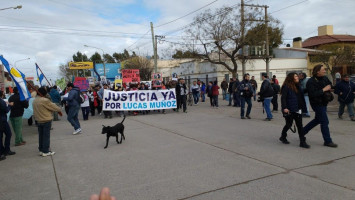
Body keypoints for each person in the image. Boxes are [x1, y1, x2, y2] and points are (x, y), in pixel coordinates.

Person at [303, 64, 338, 148]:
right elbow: (312, 94)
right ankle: (327, 141)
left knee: (317, 120)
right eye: (323, 70)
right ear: (318, 71)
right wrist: (324, 90)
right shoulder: (311, 81)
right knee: (324, 122)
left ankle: (302, 131)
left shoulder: (325, 78)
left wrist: (334, 87)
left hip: (324, 102)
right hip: (317, 104)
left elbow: (330, 86)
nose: (325, 71)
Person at [280, 73, 310, 148]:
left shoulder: (298, 85)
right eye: (296, 76)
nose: (297, 77)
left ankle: (302, 142)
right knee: (288, 124)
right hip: (290, 109)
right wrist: (285, 108)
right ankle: (283, 136)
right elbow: (283, 98)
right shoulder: (286, 87)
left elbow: (301, 95)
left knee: (300, 125)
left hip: (298, 108)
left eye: (297, 76)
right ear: (291, 78)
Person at [33, 87, 62, 156]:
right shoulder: (45, 100)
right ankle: (45, 151)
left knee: (41, 136)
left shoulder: (35, 100)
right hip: (46, 120)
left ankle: (41, 149)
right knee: (46, 136)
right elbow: (56, 108)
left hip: (39, 120)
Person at [0, 91, 15, 161]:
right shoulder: (1, 101)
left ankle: (2, 150)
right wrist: (10, 105)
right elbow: (6, 110)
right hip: (2, 121)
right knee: (8, 134)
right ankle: (6, 150)